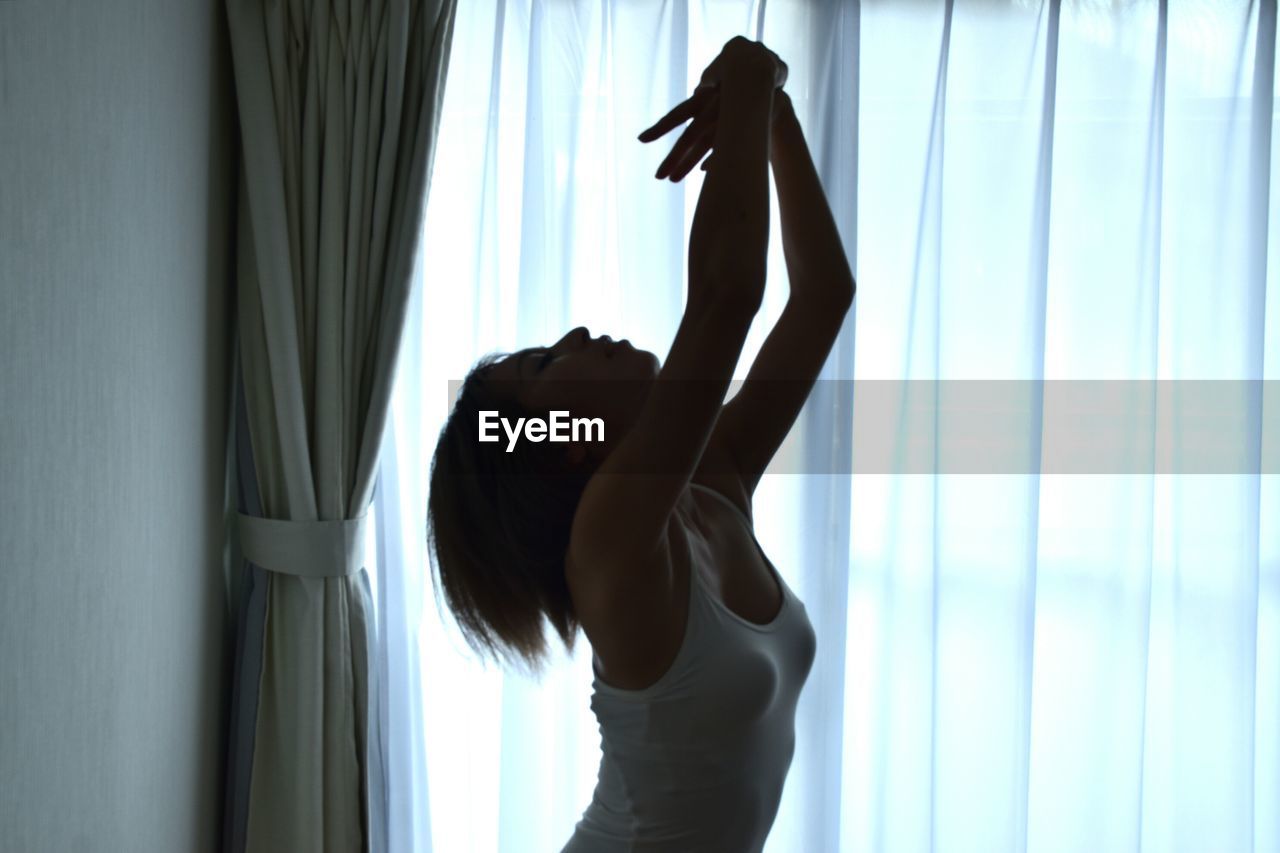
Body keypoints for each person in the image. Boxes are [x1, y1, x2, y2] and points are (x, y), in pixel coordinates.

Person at [426, 35, 855, 852]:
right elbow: (728, 295)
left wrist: (774, 123)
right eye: (548, 361)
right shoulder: (611, 546)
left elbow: (822, 299)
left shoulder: (711, 486)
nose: (579, 332)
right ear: (562, 443)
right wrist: (751, 76)